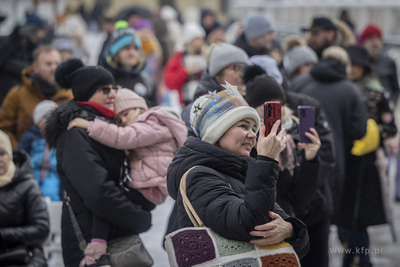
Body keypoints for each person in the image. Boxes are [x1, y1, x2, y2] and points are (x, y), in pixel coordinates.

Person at [167, 82, 310, 259]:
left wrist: (290, 230)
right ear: (217, 132)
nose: (252, 135)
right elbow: (251, 225)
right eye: (243, 126)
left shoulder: (243, 171)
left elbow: (302, 247)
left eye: (254, 128)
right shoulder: (199, 176)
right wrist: (266, 160)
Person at [44, 58, 153, 267]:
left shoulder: (102, 126)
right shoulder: (75, 133)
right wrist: (137, 217)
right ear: (86, 92)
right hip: (89, 242)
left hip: (113, 234)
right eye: (105, 89)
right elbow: (98, 191)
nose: (113, 94)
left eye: (114, 88)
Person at [244, 67, 331, 267]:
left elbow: (302, 197)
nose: (280, 111)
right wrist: (265, 153)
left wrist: (310, 159)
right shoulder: (249, 143)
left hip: (299, 227)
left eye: (281, 104)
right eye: (272, 106)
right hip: (266, 232)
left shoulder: (291, 140)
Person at [67, 88, 187, 205]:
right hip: (152, 183)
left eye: (125, 114)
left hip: (152, 182)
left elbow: (123, 137)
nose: (123, 120)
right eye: (119, 120)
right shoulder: (146, 126)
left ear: (138, 108)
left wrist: (90, 125)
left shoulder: (151, 122)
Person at [290, 46, 368, 218]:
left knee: (295, 214)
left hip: (296, 156)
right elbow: (360, 130)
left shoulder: (299, 82)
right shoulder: (351, 90)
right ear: (346, 64)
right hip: (335, 159)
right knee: (324, 216)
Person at [338, 45, 397, 267]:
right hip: (344, 159)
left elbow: (391, 128)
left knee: (357, 218)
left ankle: (361, 260)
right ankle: (354, 258)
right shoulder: (341, 89)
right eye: (349, 64)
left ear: (365, 67)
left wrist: (373, 134)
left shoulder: (376, 92)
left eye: (357, 65)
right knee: (346, 218)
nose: (352, 69)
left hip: (367, 164)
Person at [0, 45, 73, 149]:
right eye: (48, 64)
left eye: (57, 63)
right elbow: (3, 129)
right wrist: (20, 153)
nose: (53, 68)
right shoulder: (17, 94)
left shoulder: (70, 94)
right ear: (35, 67)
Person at [0, 130, 49, 267]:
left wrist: (3, 235)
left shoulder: (28, 186)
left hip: (23, 257)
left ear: (9, 154)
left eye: (2, 153)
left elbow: (41, 230)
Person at [181, 42, 249, 136]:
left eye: (245, 69)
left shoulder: (245, 103)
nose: (243, 74)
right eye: (237, 68)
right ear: (218, 73)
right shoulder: (198, 110)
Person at [100, 20, 156, 107]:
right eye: (126, 48)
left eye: (135, 48)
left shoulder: (146, 79)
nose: (131, 52)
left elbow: (154, 108)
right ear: (116, 53)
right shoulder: (105, 79)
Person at [17, 100, 60, 201]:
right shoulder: (29, 137)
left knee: (53, 192)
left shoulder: (58, 138)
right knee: (31, 193)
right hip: (32, 174)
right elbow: (20, 154)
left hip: (52, 175)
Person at [0, 13, 48, 104]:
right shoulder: (7, 42)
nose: (40, 35)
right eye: (37, 31)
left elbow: (32, 69)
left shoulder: (32, 48)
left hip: (21, 98)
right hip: (4, 96)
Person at [163, 22, 207, 106]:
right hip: (185, 103)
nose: (198, 43)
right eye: (195, 39)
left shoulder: (206, 56)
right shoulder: (178, 58)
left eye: (200, 39)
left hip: (204, 100)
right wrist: (185, 71)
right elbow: (170, 82)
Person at [360, 24, 400, 108]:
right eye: (371, 39)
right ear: (364, 42)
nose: (375, 43)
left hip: (384, 110)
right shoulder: (359, 62)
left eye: (377, 39)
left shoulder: (389, 62)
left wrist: (391, 104)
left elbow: (395, 88)